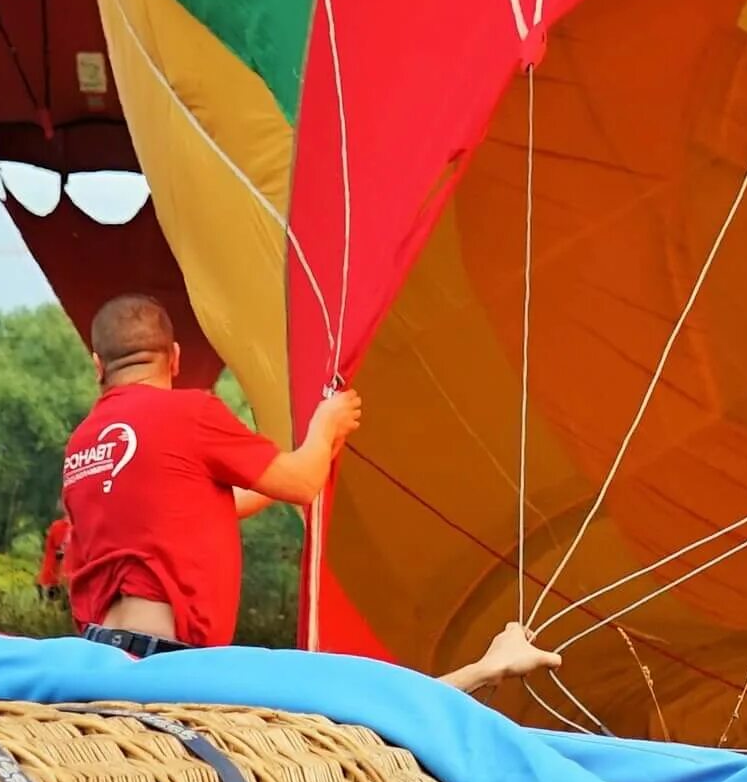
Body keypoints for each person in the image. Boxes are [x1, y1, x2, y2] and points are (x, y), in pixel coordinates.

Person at [61, 294, 561, 692]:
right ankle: (488, 669)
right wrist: (326, 428)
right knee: (343, 705)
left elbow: (206, 508)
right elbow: (301, 482)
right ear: (174, 357)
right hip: (172, 661)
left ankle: (489, 666)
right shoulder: (189, 413)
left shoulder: (83, 443)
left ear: (97, 365)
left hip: (101, 655)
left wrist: (297, 459)